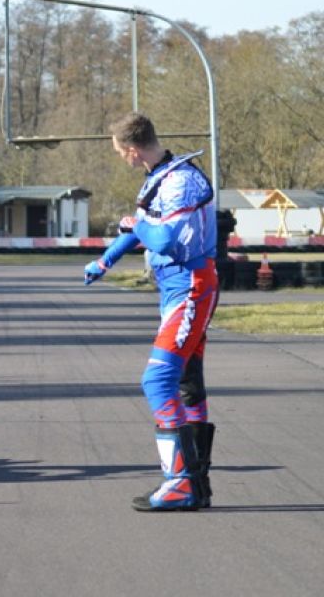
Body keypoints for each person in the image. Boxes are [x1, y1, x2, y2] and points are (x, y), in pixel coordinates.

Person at [83, 112, 218, 511]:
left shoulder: (181, 181)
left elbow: (160, 235)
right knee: (186, 383)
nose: (121, 159)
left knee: (157, 380)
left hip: (191, 287)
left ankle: (179, 483)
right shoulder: (159, 179)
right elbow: (137, 228)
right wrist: (103, 263)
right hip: (176, 289)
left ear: (131, 150)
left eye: (119, 153)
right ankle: (198, 485)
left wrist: (137, 227)